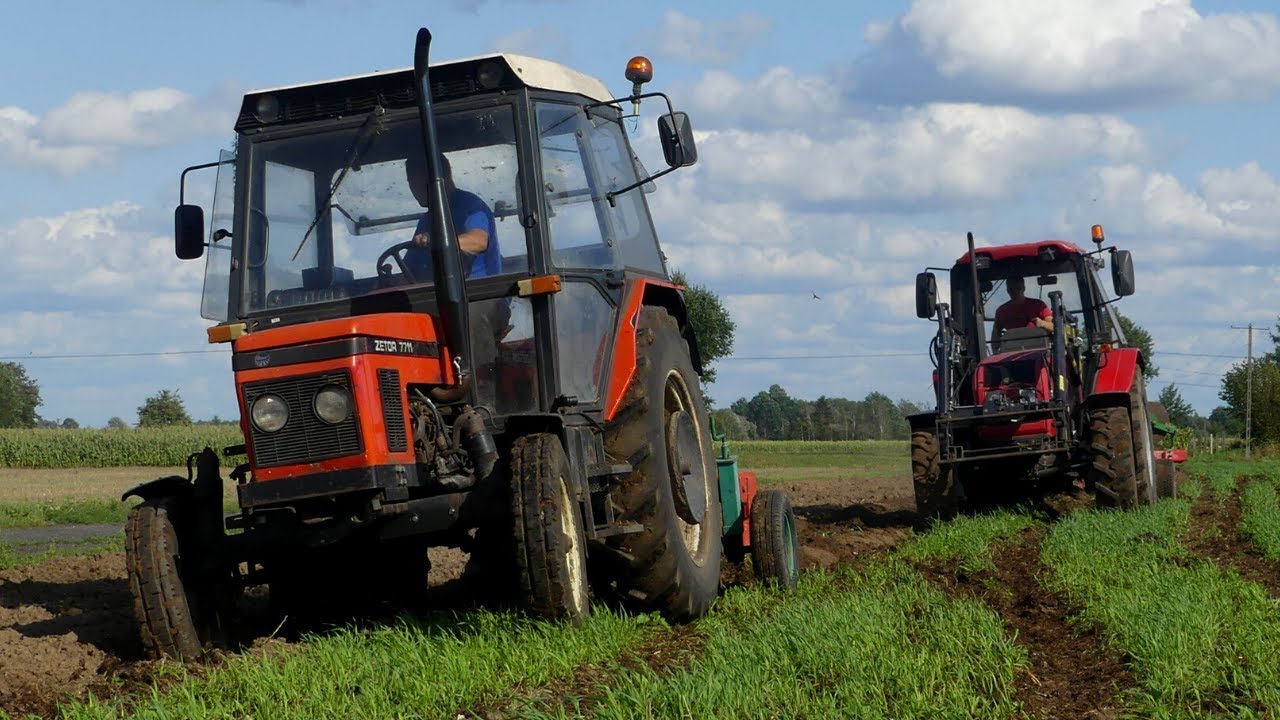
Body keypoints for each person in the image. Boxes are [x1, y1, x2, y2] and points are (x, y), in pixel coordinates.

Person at [402, 152, 500, 281]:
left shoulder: (470, 205)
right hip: (437, 289)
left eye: (419, 181)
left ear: (442, 178)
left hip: (478, 289)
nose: (415, 188)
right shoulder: (426, 220)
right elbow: (410, 269)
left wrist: (436, 240)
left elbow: (478, 241)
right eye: (411, 182)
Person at [991, 276, 1053, 343]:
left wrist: (1042, 323)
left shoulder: (1038, 305)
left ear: (1024, 288)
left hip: (1038, 346)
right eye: (1011, 289)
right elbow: (995, 334)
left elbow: (1053, 326)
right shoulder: (1001, 311)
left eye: (1018, 288)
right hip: (1013, 347)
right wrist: (995, 348)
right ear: (1007, 291)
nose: (1015, 292)